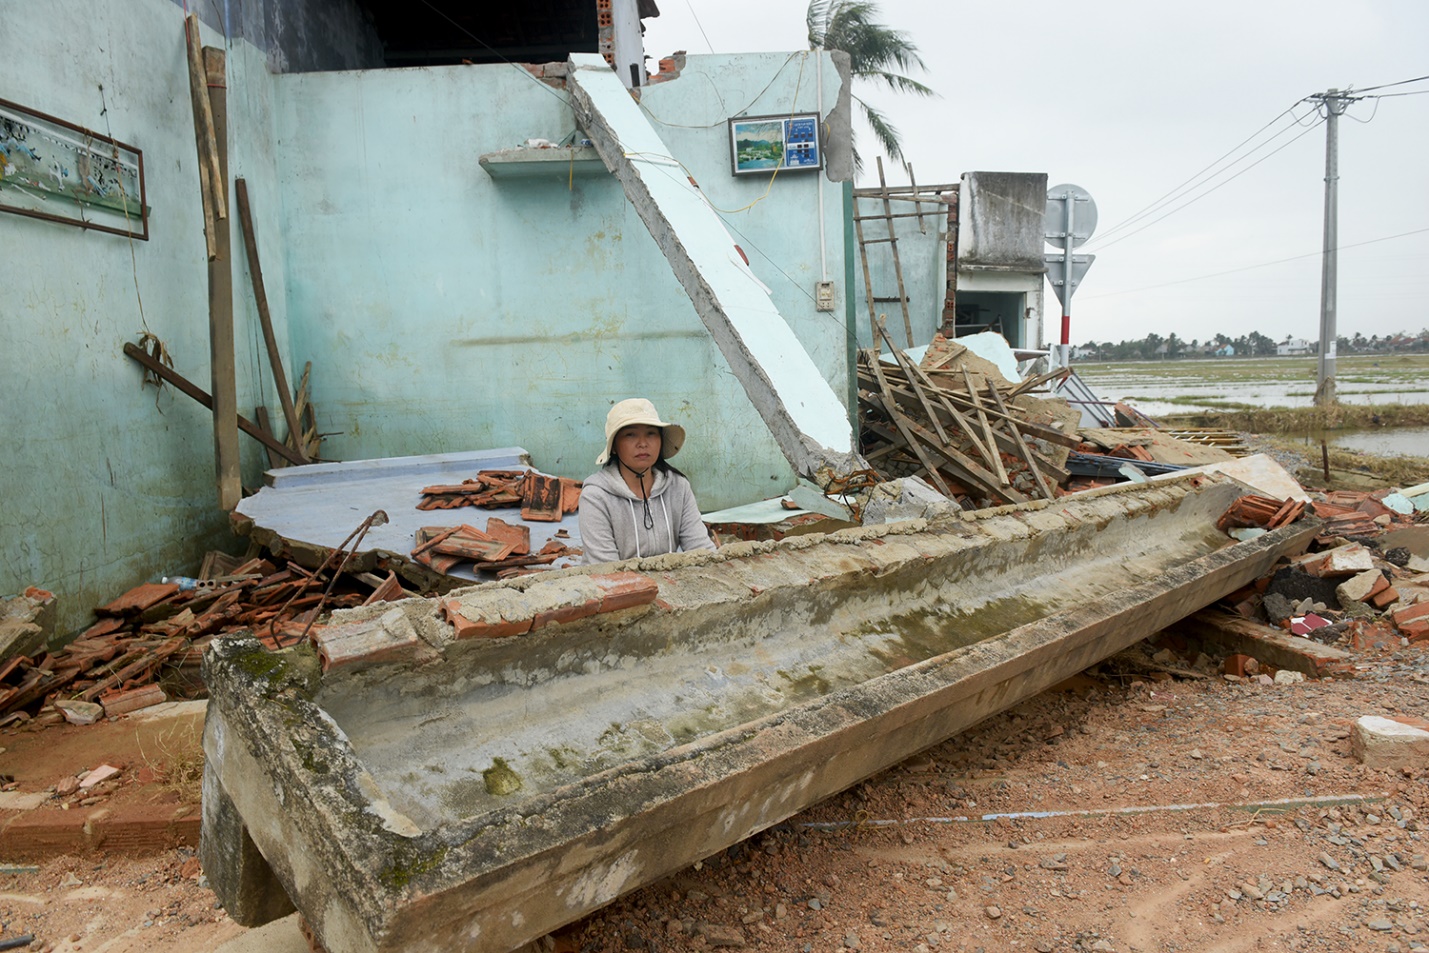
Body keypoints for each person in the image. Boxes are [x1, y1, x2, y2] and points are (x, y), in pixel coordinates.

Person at [579, 398, 716, 564]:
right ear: (614, 446)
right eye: (630, 435)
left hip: (668, 583)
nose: (643, 444)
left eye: (651, 434)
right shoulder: (595, 496)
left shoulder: (678, 487)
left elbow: (700, 549)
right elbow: (605, 568)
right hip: (613, 586)